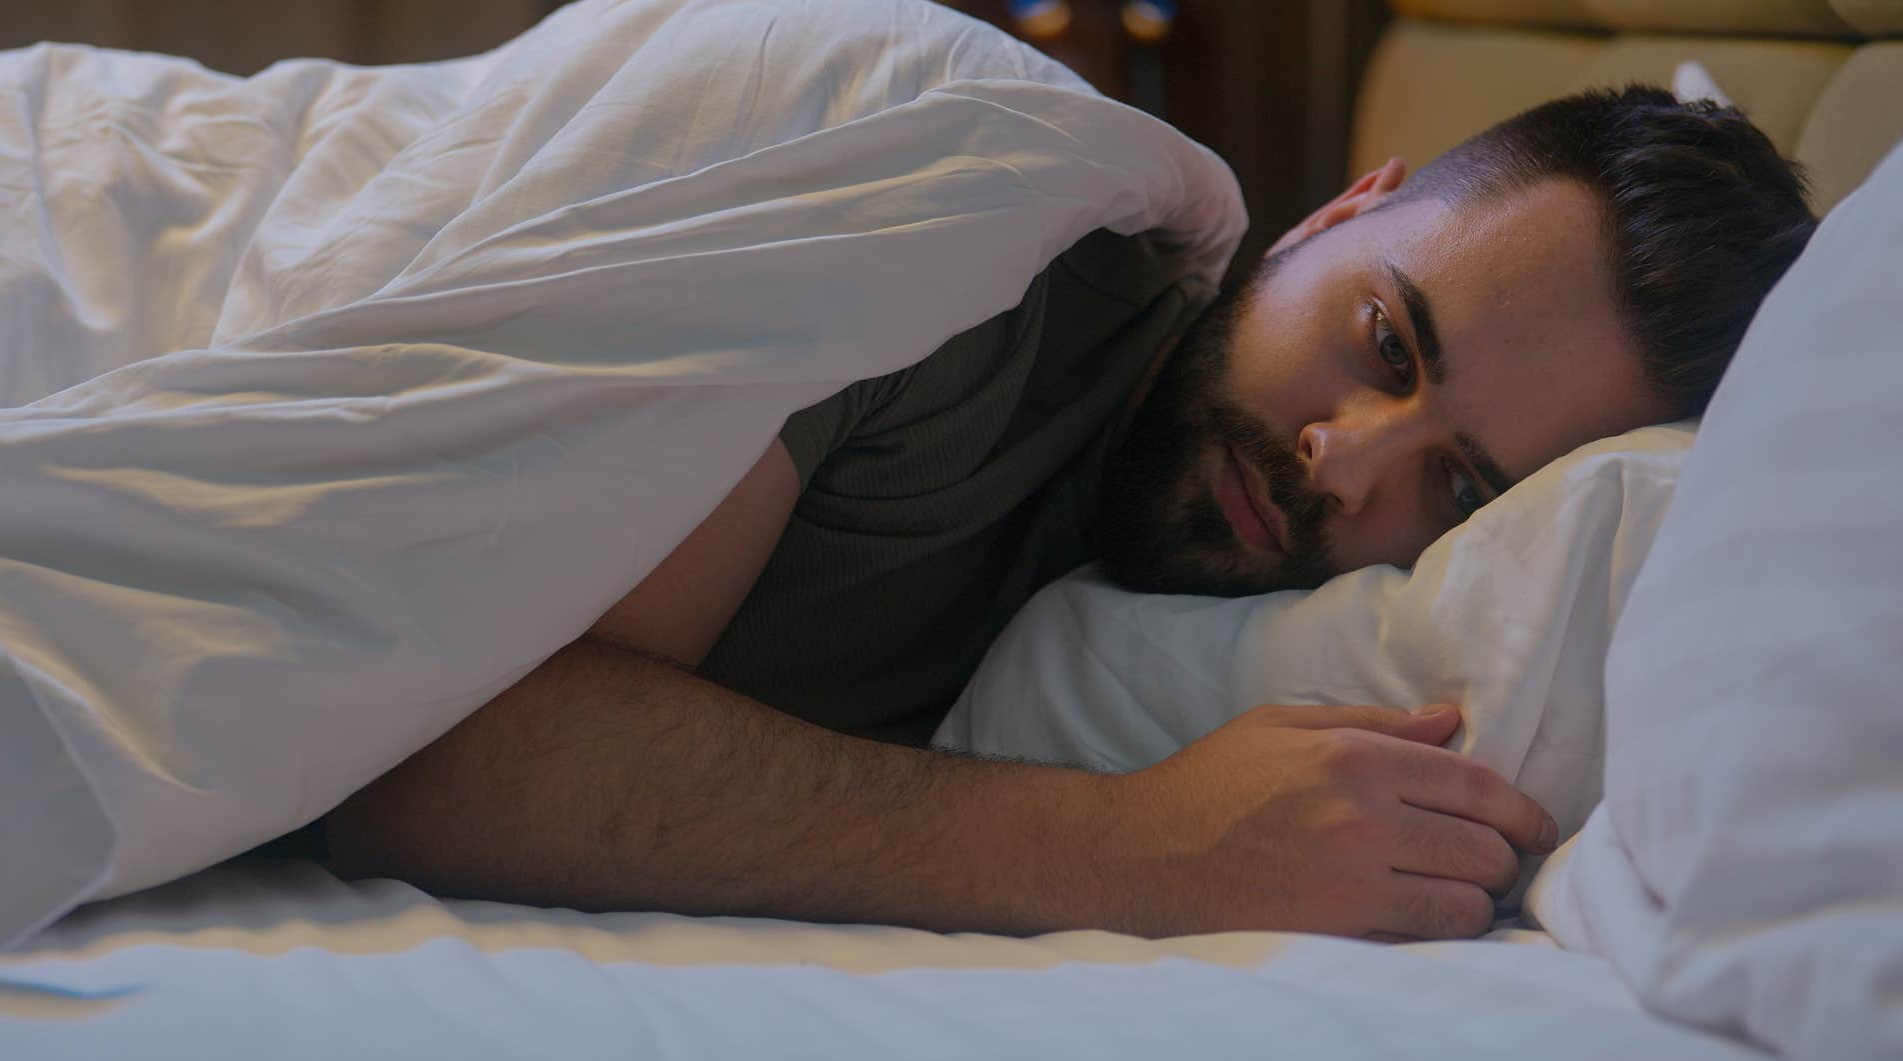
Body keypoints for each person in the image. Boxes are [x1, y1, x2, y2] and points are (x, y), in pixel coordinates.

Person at [321, 87, 1815, 941]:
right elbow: (429, 745)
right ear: (1337, 213)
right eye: (1384, 344)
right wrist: (1112, 848)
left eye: (1464, 488)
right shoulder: (959, 272)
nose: (1348, 464)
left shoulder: (1242, 635)